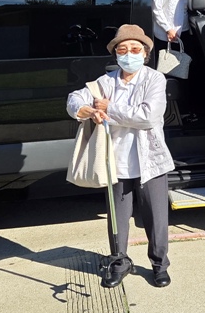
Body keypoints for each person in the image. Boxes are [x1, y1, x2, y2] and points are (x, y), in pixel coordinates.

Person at [66, 24, 175, 288]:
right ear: (115, 54)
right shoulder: (105, 82)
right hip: (116, 161)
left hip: (151, 161)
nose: (128, 54)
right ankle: (119, 262)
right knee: (117, 218)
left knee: (156, 217)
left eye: (135, 49)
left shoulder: (154, 79)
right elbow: (74, 99)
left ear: (145, 53)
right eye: (122, 49)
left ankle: (159, 265)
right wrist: (88, 110)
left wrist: (109, 108)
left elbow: (148, 116)